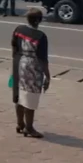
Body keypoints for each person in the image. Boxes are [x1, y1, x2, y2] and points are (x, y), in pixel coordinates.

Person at [11, 8, 50, 138]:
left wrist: (16, 62)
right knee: (30, 97)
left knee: (19, 94)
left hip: (19, 63)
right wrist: (47, 76)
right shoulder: (41, 36)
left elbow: (13, 46)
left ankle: (19, 123)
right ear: (39, 20)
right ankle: (29, 128)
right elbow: (43, 59)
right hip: (33, 66)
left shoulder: (18, 30)